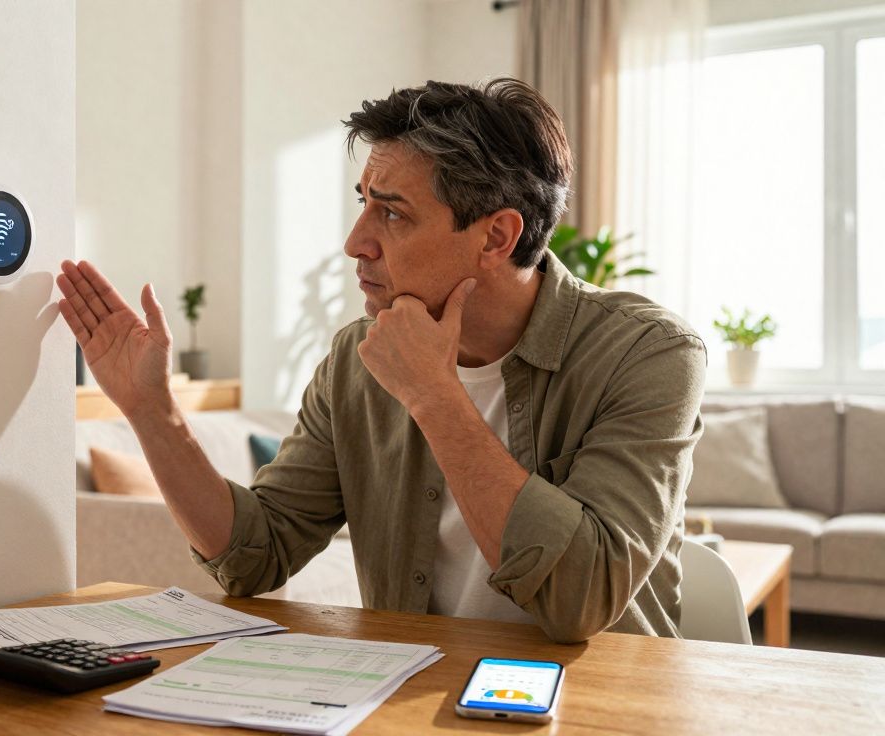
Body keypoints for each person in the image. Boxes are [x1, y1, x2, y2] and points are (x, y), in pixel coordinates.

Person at [57, 78, 705, 644]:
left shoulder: (648, 354)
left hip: (601, 703)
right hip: (412, 695)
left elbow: (579, 598)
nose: (354, 242)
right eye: (363, 201)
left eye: (392, 212)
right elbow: (256, 555)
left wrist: (434, 395)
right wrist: (152, 412)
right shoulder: (353, 359)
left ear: (497, 236)